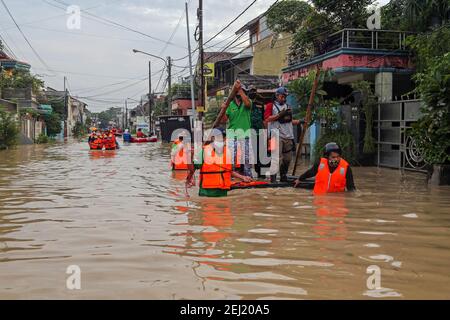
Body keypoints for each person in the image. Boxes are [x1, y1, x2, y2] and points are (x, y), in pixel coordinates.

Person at [186, 129, 253, 197]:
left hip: (222, 192)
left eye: (223, 137)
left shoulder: (228, 152)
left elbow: (229, 171)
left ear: (224, 139)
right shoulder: (204, 151)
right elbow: (192, 169)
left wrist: (243, 177)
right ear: (213, 138)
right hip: (206, 193)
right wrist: (189, 157)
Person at [264, 86, 300, 182]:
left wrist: (300, 121)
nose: (283, 98)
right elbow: (267, 119)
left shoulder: (288, 107)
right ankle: (273, 178)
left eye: (285, 97)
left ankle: (283, 176)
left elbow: (289, 121)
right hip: (275, 136)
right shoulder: (270, 106)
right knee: (276, 158)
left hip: (288, 136)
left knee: (287, 159)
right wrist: (279, 115)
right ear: (277, 96)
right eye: (281, 96)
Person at [222, 80, 253, 177]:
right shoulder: (229, 105)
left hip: (245, 134)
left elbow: (247, 103)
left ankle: (248, 176)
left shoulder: (247, 102)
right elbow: (224, 120)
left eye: (242, 92)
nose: (240, 94)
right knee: (231, 158)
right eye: (239, 92)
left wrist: (239, 89)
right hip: (232, 135)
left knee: (247, 158)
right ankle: (231, 176)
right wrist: (223, 109)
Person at [248, 85, 265, 178]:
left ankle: (260, 173)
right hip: (248, 131)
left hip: (259, 132)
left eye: (254, 91)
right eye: (251, 91)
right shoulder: (245, 103)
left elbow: (263, 119)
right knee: (249, 154)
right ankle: (247, 174)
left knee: (259, 154)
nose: (253, 92)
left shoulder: (260, 104)